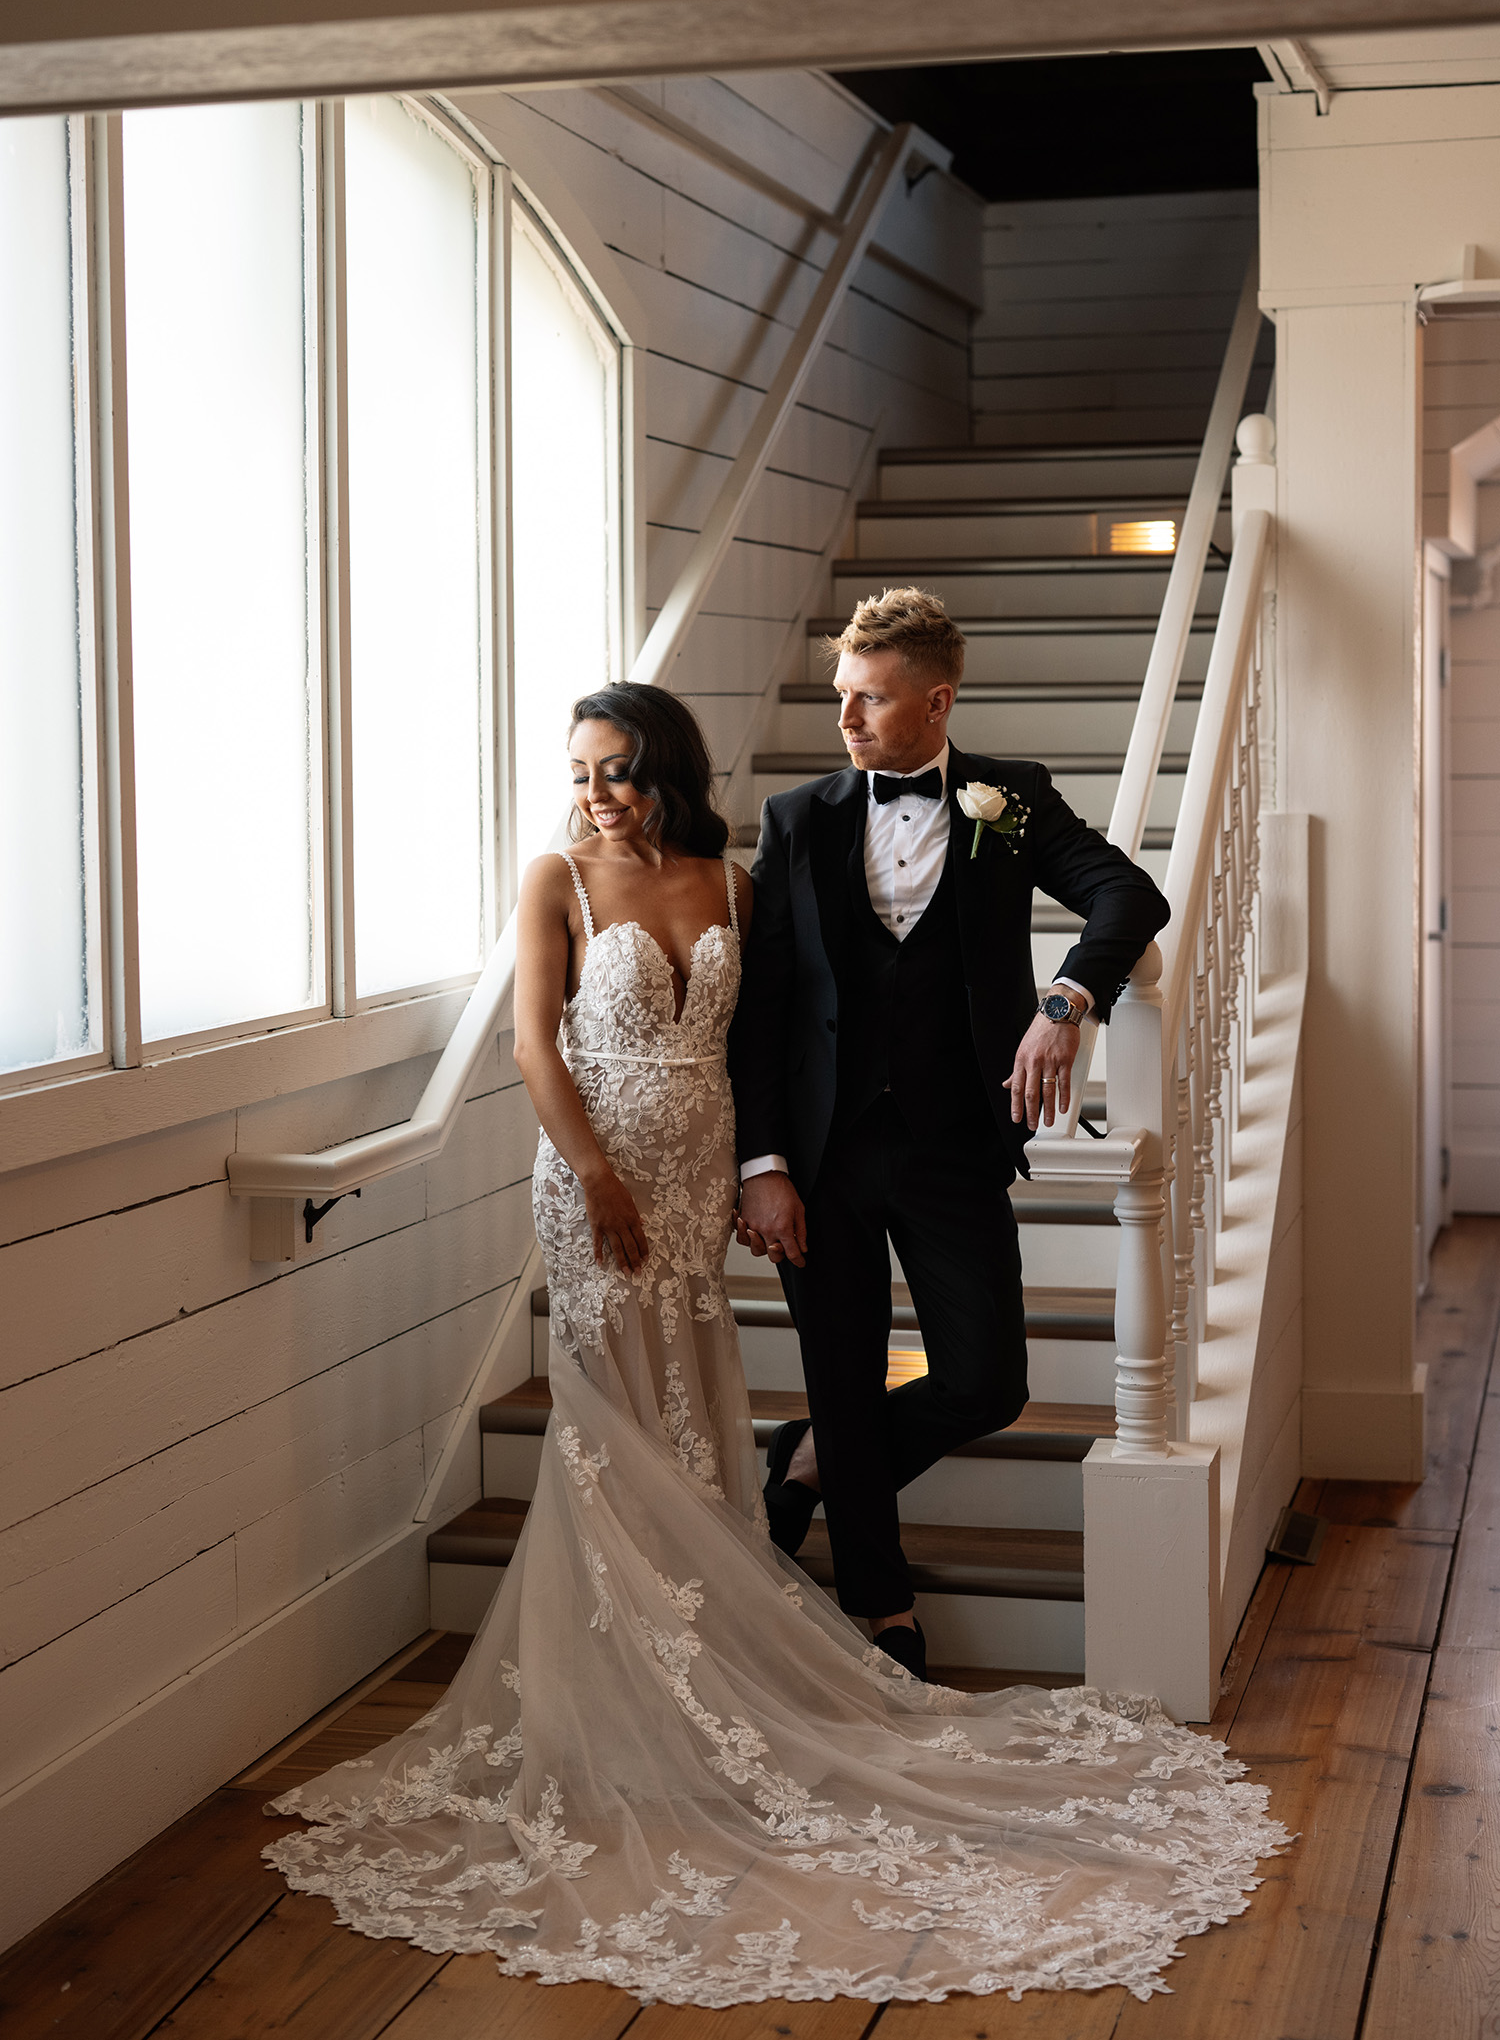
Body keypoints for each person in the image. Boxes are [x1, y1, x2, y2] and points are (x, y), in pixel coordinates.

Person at [264, 678, 1284, 2007]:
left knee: (703, 1407)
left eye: (618, 768)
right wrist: (602, 1176)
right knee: (607, 1420)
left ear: (668, 769)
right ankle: (623, 1696)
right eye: (579, 769)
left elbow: (764, 1035)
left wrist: (757, 1165)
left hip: (707, 1180)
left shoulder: (739, 878)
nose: (594, 791)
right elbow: (530, 1042)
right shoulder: (558, 877)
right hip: (598, 1176)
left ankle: (732, 1617)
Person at [730, 587, 1172, 1680]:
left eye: (868, 701)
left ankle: (815, 1461)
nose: (845, 722)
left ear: (937, 703)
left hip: (952, 1147)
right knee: (841, 1366)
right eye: (842, 699)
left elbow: (1127, 898)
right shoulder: (798, 820)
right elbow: (766, 1010)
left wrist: (1066, 1002)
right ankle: (883, 1606)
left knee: (986, 1380)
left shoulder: (1008, 802)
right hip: (823, 1157)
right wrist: (763, 1164)